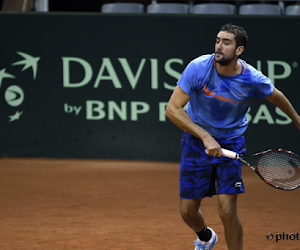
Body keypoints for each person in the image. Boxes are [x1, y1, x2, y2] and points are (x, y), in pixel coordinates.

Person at [165, 23, 300, 250]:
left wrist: (297, 120)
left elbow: (277, 96)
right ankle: (206, 237)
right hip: (196, 142)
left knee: (227, 210)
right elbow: (172, 109)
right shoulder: (198, 68)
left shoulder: (252, 78)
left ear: (239, 50)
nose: (219, 46)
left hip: (231, 143)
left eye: (226, 43)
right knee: (188, 211)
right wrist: (205, 136)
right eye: (218, 40)